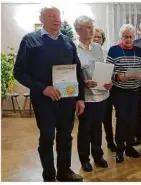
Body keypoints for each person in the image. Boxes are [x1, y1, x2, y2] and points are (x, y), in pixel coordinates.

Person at [13, 6, 84, 181]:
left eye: (58, 16)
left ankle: (64, 171)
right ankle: (49, 173)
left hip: (67, 99)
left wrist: (80, 98)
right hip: (43, 99)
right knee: (47, 136)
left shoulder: (68, 42)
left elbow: (78, 71)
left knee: (65, 136)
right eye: (51, 16)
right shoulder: (30, 40)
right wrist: (43, 88)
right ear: (42, 19)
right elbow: (19, 72)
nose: (57, 19)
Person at [74, 16, 111, 172]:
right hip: (85, 97)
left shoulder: (98, 48)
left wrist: (108, 81)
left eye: (92, 26)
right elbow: (72, 73)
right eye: (88, 27)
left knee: (97, 127)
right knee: (85, 129)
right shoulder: (73, 48)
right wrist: (83, 83)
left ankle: (98, 155)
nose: (92, 30)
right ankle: (84, 159)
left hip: (102, 95)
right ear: (78, 30)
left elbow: (104, 67)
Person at [106, 24, 141, 163]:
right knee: (122, 120)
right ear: (121, 37)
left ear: (134, 37)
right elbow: (108, 71)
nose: (128, 39)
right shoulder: (114, 50)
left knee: (133, 120)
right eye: (125, 37)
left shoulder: (139, 51)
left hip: (135, 91)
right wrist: (118, 76)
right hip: (120, 91)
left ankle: (130, 147)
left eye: (130, 37)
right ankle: (120, 149)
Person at [93, 28, 117, 152]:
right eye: (94, 37)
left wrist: (111, 81)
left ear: (103, 40)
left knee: (107, 119)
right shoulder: (86, 53)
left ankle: (110, 141)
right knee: (95, 123)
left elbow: (112, 71)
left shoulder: (107, 53)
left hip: (106, 90)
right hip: (91, 92)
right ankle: (96, 147)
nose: (96, 39)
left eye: (99, 37)